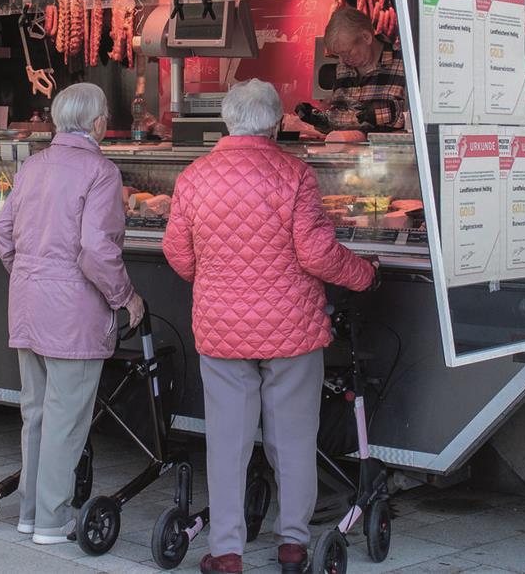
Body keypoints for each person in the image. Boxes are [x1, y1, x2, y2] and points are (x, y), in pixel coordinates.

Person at [162, 79, 378, 574]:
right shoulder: (294, 173)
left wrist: (216, 277)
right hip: (292, 329)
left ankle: (228, 552)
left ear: (226, 120)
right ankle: (293, 545)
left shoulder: (194, 176)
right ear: (278, 122)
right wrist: (365, 275)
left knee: (227, 441)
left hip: (222, 328)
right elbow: (317, 253)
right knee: (294, 439)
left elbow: (177, 252)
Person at [0, 83, 145, 544]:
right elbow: (97, 251)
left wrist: (30, 276)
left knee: (36, 414)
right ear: (98, 123)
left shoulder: (33, 165)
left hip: (28, 305)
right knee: (66, 419)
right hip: (74, 315)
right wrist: (127, 298)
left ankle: (30, 513)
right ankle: (53, 521)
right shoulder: (101, 171)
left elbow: (2, 235)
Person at [295, 6, 406, 132]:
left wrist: (377, 114)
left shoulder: (403, 63)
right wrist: (317, 118)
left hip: (391, 150)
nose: (342, 61)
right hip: (347, 150)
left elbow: (413, 117)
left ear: (366, 37)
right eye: (338, 56)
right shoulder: (343, 69)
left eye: (346, 53)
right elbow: (340, 119)